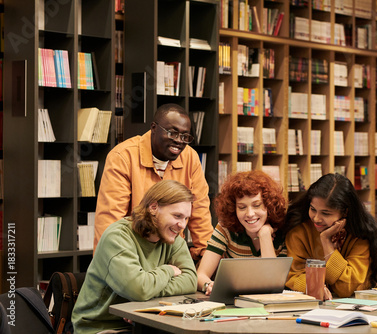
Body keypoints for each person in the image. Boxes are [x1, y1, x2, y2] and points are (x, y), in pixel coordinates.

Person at [72, 179, 197, 334]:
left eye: (186, 218)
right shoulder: (118, 236)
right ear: (153, 207)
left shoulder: (173, 237)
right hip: (102, 327)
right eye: (177, 216)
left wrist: (146, 293)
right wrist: (168, 271)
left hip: (147, 321)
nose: (183, 225)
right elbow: (138, 289)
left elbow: (190, 280)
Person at [94, 103, 213, 261]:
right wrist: (110, 264)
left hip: (172, 254)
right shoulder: (122, 156)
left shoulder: (190, 157)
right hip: (132, 256)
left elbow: (201, 213)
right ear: (153, 128)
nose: (179, 141)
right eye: (172, 133)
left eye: (185, 136)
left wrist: (208, 258)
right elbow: (109, 223)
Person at [285, 173, 377, 299]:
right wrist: (316, 287)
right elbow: (293, 275)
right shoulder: (299, 231)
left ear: (345, 212)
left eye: (325, 213)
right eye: (313, 209)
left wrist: (326, 241)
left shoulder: (360, 235)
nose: (316, 218)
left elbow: (347, 289)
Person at [197, 170, 287, 295]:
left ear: (269, 205)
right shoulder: (225, 228)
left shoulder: (283, 231)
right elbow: (200, 274)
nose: (250, 214)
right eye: (242, 207)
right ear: (233, 209)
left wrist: (265, 235)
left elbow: (272, 282)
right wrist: (208, 285)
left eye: (256, 205)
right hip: (233, 301)